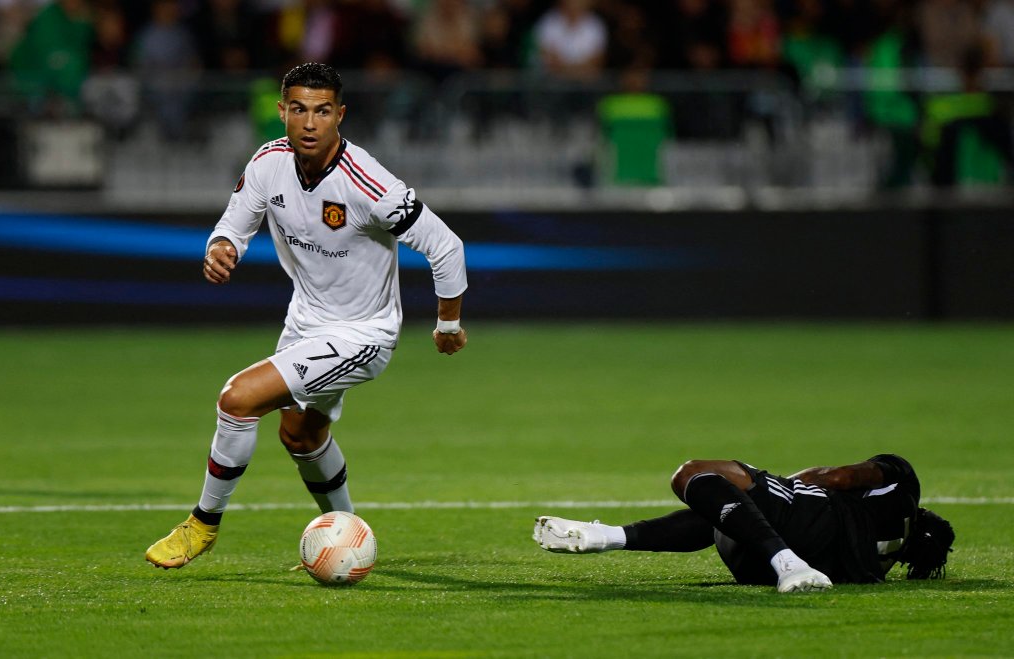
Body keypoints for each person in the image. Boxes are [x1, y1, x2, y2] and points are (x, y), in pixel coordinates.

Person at [146, 62, 468, 569]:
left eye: (322, 111)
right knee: (300, 435)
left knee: (237, 399)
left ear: (340, 115)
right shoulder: (268, 162)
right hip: (305, 322)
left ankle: (202, 525)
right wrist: (222, 245)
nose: (310, 123)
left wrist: (448, 324)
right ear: (283, 112)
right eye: (299, 109)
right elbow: (234, 222)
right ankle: (350, 536)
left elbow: (446, 247)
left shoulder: (368, 182)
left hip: (363, 334)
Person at [534, 454, 954, 593]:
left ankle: (788, 562)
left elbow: (840, 478)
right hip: (757, 569)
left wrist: (792, 483)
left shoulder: (903, 484)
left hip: (806, 529)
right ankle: (605, 535)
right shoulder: (878, 564)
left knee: (693, 474)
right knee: (728, 513)